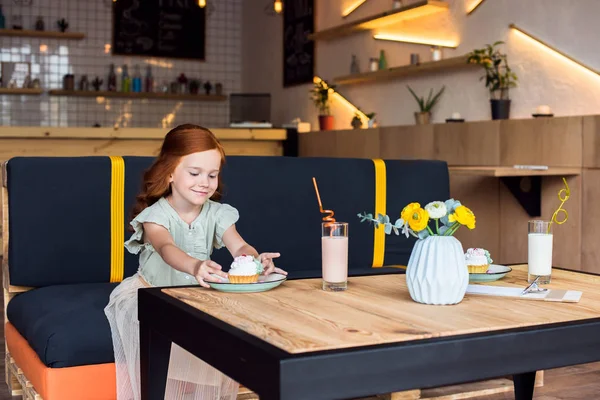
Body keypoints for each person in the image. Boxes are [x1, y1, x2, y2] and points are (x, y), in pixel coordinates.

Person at [104, 124, 286, 400]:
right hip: (154, 294)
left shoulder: (216, 213)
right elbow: (166, 248)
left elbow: (238, 245)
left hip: (199, 294)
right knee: (161, 330)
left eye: (212, 175)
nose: (205, 182)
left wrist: (254, 259)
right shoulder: (156, 216)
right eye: (195, 173)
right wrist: (195, 266)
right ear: (170, 173)